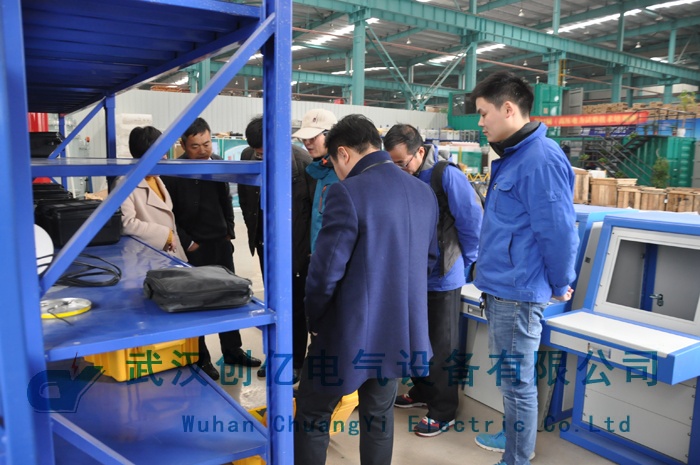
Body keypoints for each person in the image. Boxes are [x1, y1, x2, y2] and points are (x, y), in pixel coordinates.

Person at [294, 114, 439, 465]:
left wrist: (315, 319)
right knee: (378, 417)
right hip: (396, 333)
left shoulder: (347, 192)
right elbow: (429, 261)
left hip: (346, 333)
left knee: (313, 414)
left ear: (343, 153)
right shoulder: (423, 192)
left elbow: (325, 273)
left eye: (334, 162)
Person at [470, 71, 578, 465]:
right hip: (502, 287)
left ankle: (516, 457)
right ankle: (513, 437)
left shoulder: (540, 159)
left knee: (517, 382)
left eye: (484, 113)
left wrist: (561, 282)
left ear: (508, 109)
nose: (480, 122)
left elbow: (559, 231)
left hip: (518, 292)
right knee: (510, 378)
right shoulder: (516, 156)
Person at [384, 124, 482, 437]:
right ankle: (423, 391)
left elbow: (472, 222)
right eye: (393, 164)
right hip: (412, 276)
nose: (399, 169)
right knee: (416, 341)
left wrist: (463, 263)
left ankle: (443, 410)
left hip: (443, 277)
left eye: (402, 163)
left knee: (441, 347)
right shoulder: (405, 178)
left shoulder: (446, 176)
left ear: (420, 152)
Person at [162, 117, 261, 382]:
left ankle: (232, 349)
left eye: (207, 144)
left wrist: (229, 229)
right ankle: (201, 357)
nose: (203, 150)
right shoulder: (172, 173)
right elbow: (169, 214)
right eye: (196, 146)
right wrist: (188, 242)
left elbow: (225, 199)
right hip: (193, 249)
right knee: (198, 303)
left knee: (228, 298)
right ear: (184, 145)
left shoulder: (216, 163)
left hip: (220, 243)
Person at [238, 116, 315, 382]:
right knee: (272, 305)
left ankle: (295, 361)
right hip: (265, 244)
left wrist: (307, 251)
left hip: (296, 248)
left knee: (294, 306)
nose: (260, 157)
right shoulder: (247, 156)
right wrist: (255, 232)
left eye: (264, 152)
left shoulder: (304, 164)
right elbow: (245, 199)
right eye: (257, 153)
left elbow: (312, 213)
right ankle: (274, 356)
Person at [118, 126, 188, 262]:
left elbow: (169, 222)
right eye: (159, 154)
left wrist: (182, 258)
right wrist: (165, 235)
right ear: (144, 156)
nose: (165, 157)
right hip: (147, 258)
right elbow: (126, 224)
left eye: (165, 153)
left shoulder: (156, 178)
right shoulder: (124, 183)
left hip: (171, 254)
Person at [292, 108, 338, 252]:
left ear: (331, 136)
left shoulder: (341, 172)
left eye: (312, 138)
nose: (307, 143)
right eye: (304, 138)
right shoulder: (319, 170)